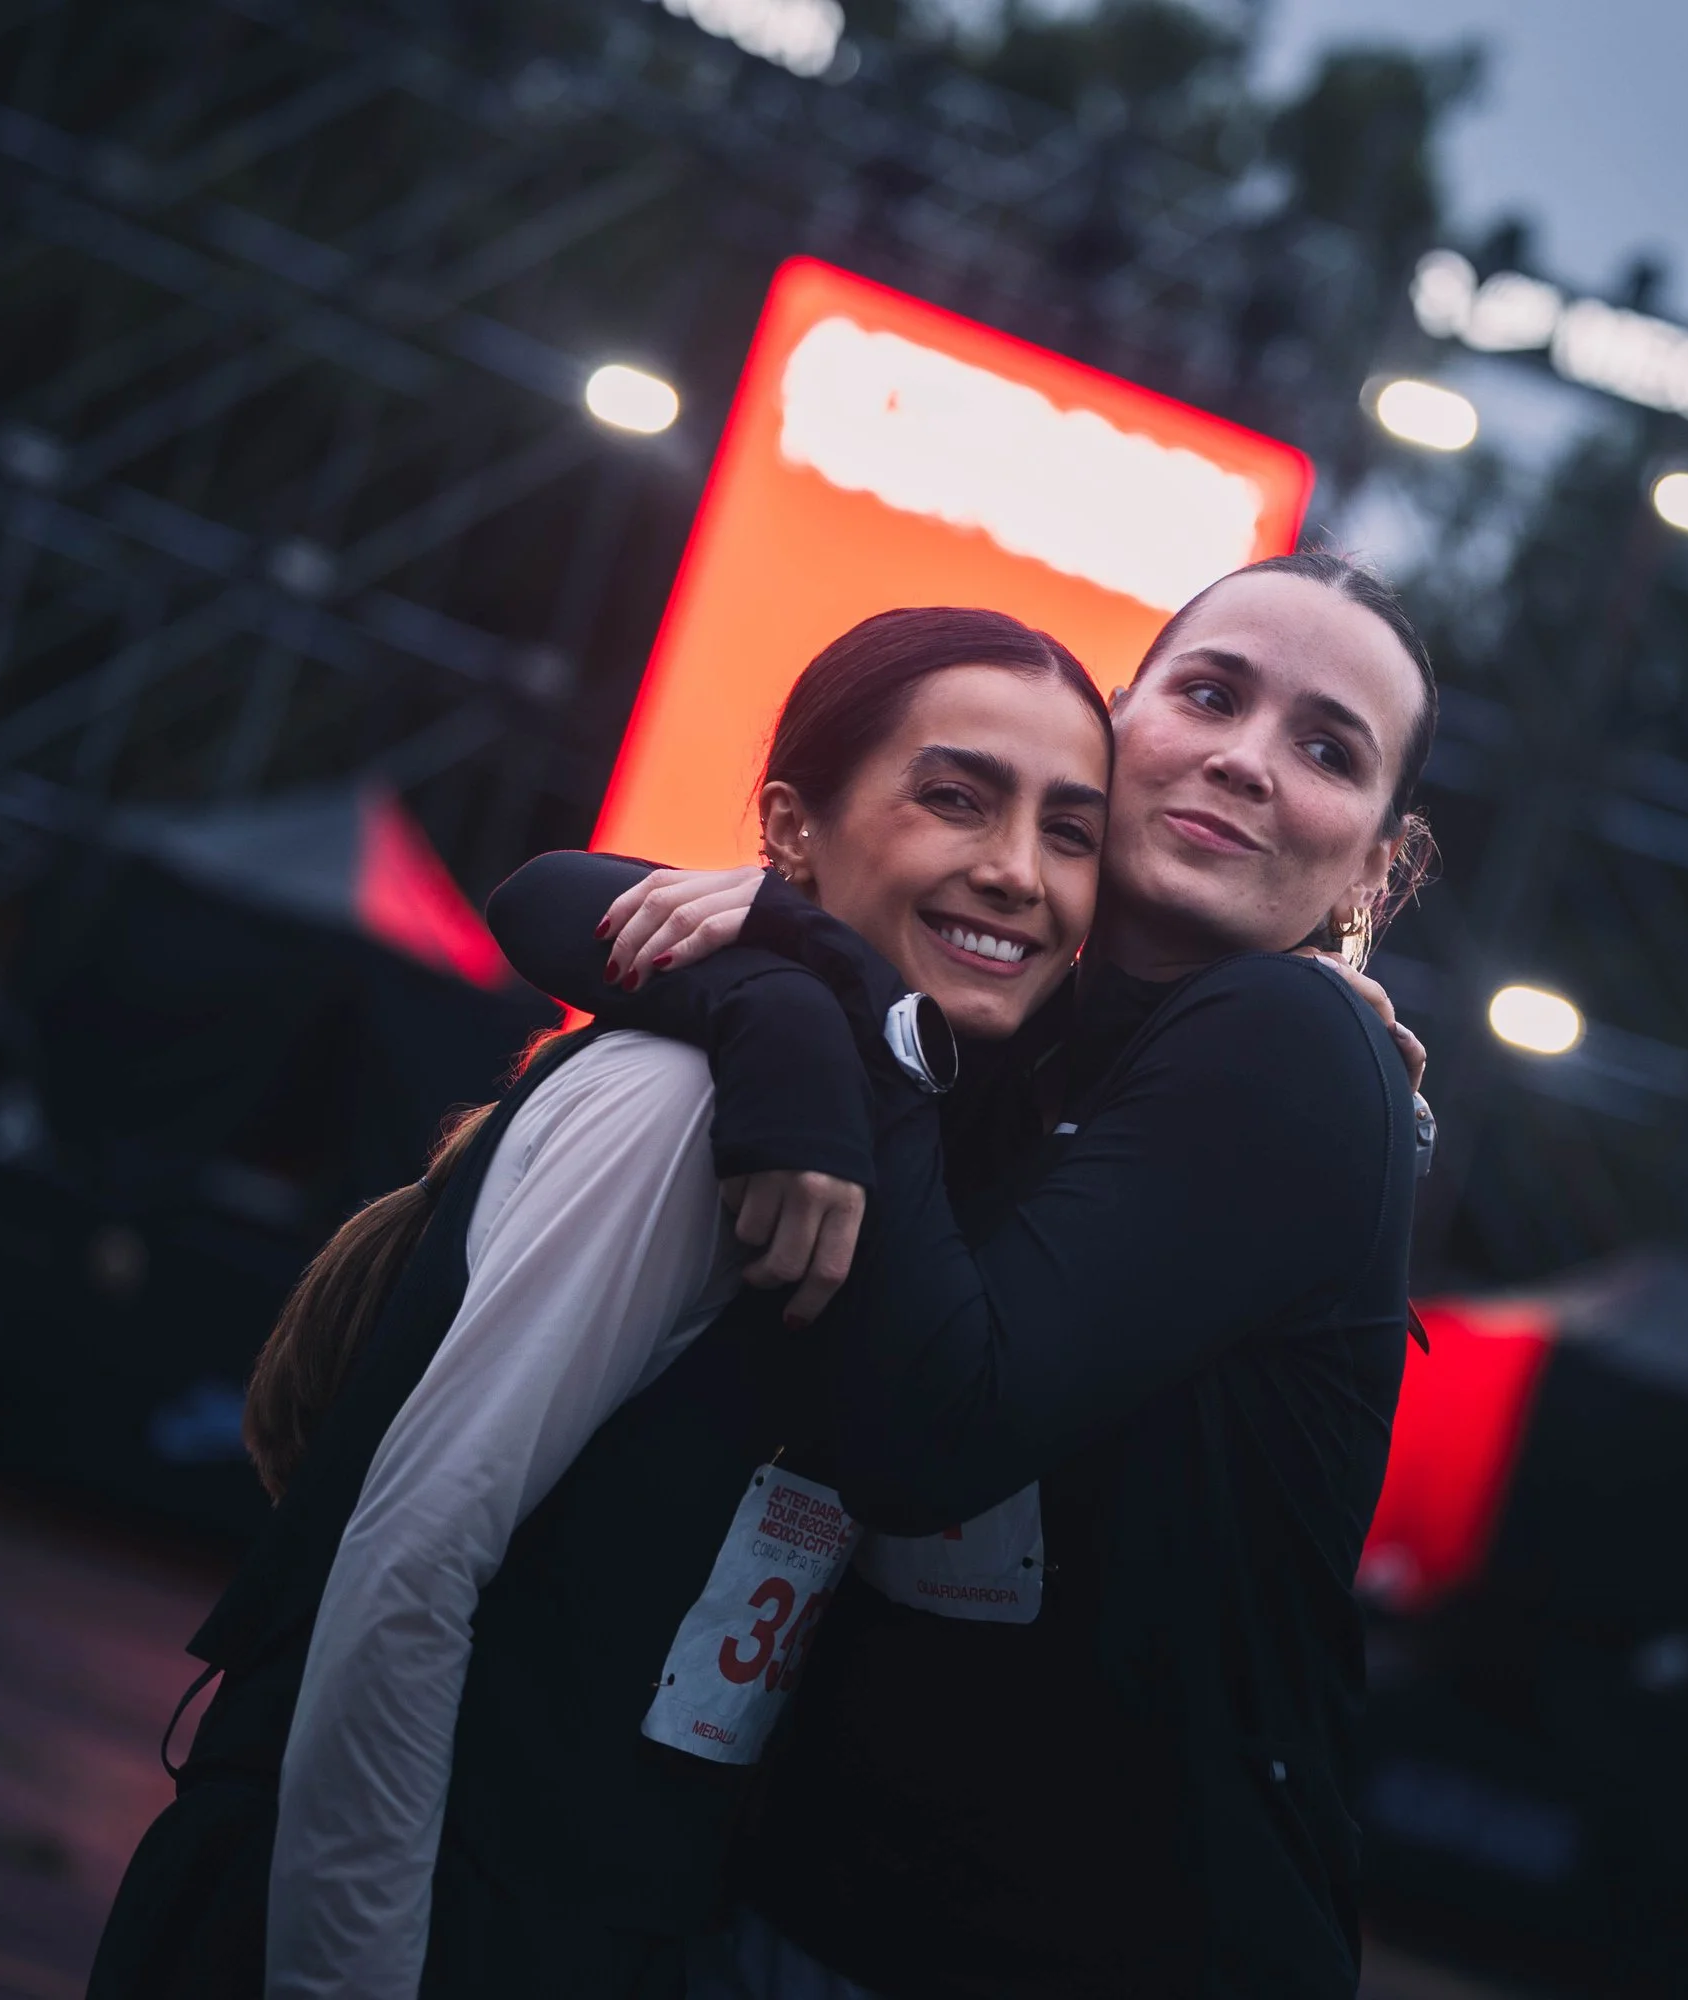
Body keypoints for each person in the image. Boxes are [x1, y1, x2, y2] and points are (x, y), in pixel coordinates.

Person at [85, 608, 1113, 2000]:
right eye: (956, 798)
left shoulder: (889, 1134)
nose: (1016, 872)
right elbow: (409, 1569)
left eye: (1071, 831)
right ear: (792, 832)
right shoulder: (679, 1104)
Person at [487, 549, 1440, 1999]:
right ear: (1122, 729)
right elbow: (558, 899)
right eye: (1210, 693)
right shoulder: (1015, 1003)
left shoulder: (1287, 1040)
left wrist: (820, 995)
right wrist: (795, 988)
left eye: (1324, 748)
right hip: (819, 1897)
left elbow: (939, 1426)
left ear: (1376, 864)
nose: (1247, 761)